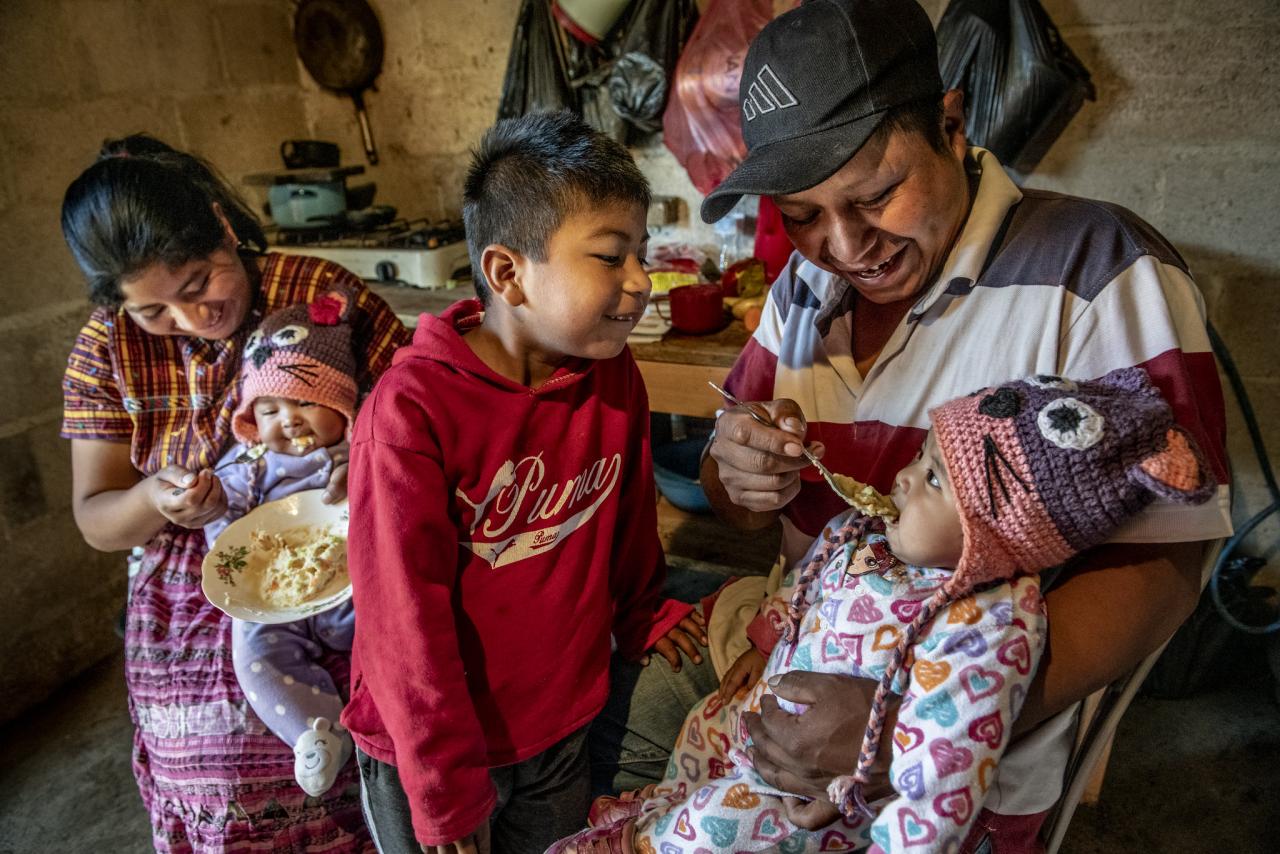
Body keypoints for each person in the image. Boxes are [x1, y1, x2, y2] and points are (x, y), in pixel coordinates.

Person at [591, 1, 1232, 850]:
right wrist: (738, 472)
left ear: (953, 123)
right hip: (789, 683)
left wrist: (903, 719)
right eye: (803, 216)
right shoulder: (801, 295)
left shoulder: (1101, 273)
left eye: (877, 193)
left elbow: (1165, 566)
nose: (847, 245)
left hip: (960, 770)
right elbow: (730, 484)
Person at [550, 368, 1216, 852]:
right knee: (701, 731)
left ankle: (652, 842)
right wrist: (763, 638)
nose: (901, 477)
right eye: (923, 457)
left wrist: (877, 781)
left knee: (724, 824)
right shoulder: (864, 537)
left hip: (815, 795)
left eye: (931, 479)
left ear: (995, 538)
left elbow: (940, 782)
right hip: (765, 714)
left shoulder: (988, 629)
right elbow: (806, 586)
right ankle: (657, 815)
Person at [341, 110, 707, 854]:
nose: (638, 283)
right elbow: (402, 620)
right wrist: (445, 787)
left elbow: (629, 513)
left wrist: (642, 612)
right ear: (508, 272)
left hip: (558, 726)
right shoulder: (411, 413)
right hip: (435, 754)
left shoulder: (611, 374)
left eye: (639, 251)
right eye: (609, 257)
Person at [60, 134, 410, 852]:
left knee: (401, 704)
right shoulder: (106, 349)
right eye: (154, 313)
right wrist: (157, 499)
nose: (192, 322)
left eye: (196, 286)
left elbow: (423, 420)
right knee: (222, 757)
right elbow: (97, 520)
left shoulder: (321, 295)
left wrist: (370, 463)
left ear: (223, 227)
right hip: (195, 572)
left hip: (349, 535)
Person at [203, 288, 365, 797]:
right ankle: (315, 735)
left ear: (341, 404)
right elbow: (224, 523)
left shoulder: (361, 444)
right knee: (252, 649)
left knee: (396, 624)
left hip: (351, 584)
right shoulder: (249, 464)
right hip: (275, 600)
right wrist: (206, 505)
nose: (287, 419)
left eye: (303, 401)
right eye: (269, 409)